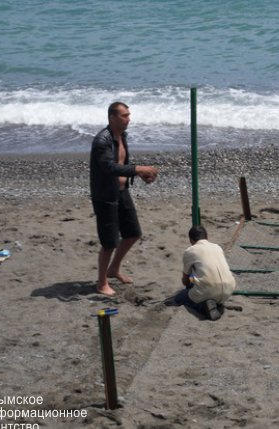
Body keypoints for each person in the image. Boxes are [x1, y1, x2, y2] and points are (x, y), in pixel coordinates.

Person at [90, 101, 158, 297]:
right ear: (112, 117)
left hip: (121, 191)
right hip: (105, 196)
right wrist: (138, 169)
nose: (129, 119)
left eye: (129, 115)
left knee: (133, 233)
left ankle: (113, 269)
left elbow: (122, 164)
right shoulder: (101, 141)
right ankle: (101, 282)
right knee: (109, 242)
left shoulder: (122, 136)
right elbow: (109, 168)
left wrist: (139, 175)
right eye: (124, 115)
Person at [165, 225, 236, 321]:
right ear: (207, 237)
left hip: (208, 290)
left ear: (191, 240)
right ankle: (215, 303)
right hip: (229, 289)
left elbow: (185, 280)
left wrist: (190, 283)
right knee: (202, 278)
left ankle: (203, 307)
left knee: (180, 297)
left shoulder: (190, 251)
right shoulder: (217, 247)